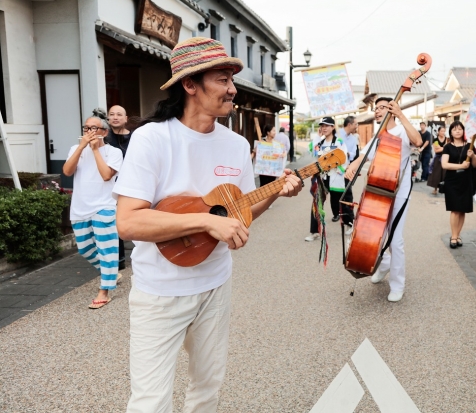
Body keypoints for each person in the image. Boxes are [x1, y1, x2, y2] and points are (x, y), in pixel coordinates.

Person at [112, 37, 303, 412]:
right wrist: (204, 221)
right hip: (159, 292)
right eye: (222, 79)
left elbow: (239, 212)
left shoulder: (235, 144)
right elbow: (128, 221)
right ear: (190, 84)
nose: (233, 89)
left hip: (216, 286)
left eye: (232, 79)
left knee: (207, 389)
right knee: (150, 402)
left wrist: (276, 191)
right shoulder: (152, 138)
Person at [345, 98, 422, 302]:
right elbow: (364, 156)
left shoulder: (402, 131)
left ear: (391, 109)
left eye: (382, 107)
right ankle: (385, 263)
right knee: (376, 232)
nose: (377, 111)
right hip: (377, 191)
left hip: (399, 192)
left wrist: (401, 114)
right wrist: (352, 166)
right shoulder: (379, 135)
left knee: (395, 239)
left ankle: (398, 284)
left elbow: (418, 141)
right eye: (376, 108)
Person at [62, 108, 123, 309]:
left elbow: (106, 175)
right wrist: (81, 148)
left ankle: (104, 291)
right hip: (80, 207)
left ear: (104, 132)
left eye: (93, 128)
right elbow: (67, 171)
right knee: (85, 249)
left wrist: (95, 150)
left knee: (106, 250)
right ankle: (110, 272)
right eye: (86, 128)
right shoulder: (75, 149)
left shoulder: (114, 152)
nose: (88, 131)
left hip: (104, 206)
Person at [305, 117, 349, 241]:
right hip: (322, 178)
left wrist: (339, 169)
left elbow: (344, 158)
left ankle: (349, 222)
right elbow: (313, 153)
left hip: (335, 176)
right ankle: (314, 231)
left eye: (327, 125)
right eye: (322, 125)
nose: (324, 128)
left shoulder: (339, 142)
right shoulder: (320, 143)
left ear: (333, 127)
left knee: (339, 203)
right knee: (317, 202)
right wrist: (318, 137)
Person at [441, 121, 476, 249]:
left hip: (466, 181)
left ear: (463, 131)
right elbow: (444, 164)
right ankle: (453, 236)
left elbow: (475, 165)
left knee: (462, 210)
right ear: (450, 132)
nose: (457, 131)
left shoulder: (470, 146)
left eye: (460, 129)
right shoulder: (447, 147)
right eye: (454, 129)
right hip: (452, 181)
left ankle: (458, 235)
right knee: (455, 209)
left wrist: (472, 155)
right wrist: (461, 166)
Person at [107, 104, 131, 270]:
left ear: (126, 118)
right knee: (114, 221)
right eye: (112, 114)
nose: (115, 117)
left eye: (119, 114)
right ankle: (118, 258)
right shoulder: (104, 139)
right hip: (109, 185)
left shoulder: (134, 138)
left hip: (130, 184)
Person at [340, 116, 359, 227]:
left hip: (347, 169)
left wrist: (347, 153)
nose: (357, 126)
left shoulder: (353, 138)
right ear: (349, 124)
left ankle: (350, 221)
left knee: (348, 195)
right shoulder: (337, 134)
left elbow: (354, 154)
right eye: (355, 124)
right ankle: (316, 228)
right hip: (334, 171)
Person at [427, 125, 448, 194]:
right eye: (441, 131)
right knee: (436, 173)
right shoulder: (435, 140)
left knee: (445, 173)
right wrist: (444, 147)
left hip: (445, 158)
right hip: (438, 158)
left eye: (444, 131)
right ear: (438, 132)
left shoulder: (447, 139)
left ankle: (444, 188)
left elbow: (448, 148)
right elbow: (436, 150)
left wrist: (441, 148)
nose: (443, 132)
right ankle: (435, 188)